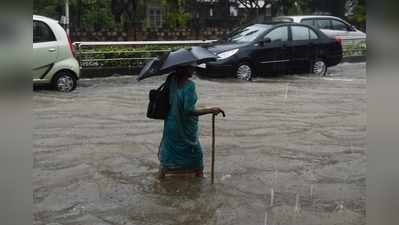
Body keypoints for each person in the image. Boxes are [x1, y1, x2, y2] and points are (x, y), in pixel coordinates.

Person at [158, 65, 225, 178]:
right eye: (191, 67)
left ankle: (160, 179)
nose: (193, 70)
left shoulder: (171, 81)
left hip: (171, 124)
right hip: (184, 127)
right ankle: (199, 179)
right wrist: (211, 110)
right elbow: (188, 111)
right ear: (185, 70)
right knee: (196, 158)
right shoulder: (190, 85)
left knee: (170, 153)